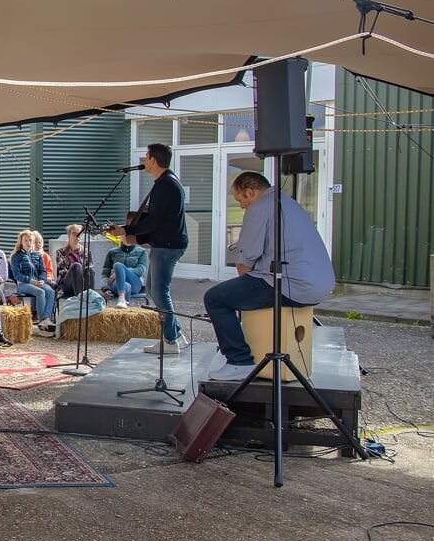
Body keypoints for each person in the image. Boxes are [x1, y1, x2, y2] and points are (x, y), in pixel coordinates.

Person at [204, 172, 336, 381]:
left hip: (291, 284)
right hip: (320, 284)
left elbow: (245, 264)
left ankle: (239, 361)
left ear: (250, 191)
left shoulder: (259, 207)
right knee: (239, 293)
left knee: (216, 298)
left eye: (240, 200)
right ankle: (236, 351)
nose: (241, 207)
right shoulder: (289, 203)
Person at [110, 143, 189, 354]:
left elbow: (154, 221)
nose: (144, 160)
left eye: (146, 156)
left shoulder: (166, 185)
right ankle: (176, 333)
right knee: (154, 289)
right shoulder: (167, 183)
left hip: (167, 245)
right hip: (165, 243)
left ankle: (170, 341)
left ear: (153, 159)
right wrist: (130, 233)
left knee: (160, 291)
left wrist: (127, 230)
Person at [11, 230, 56, 327]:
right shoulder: (16, 256)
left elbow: (43, 270)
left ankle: (46, 318)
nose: (28, 243)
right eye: (26, 240)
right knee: (40, 292)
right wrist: (32, 281)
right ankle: (42, 320)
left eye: (30, 240)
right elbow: (17, 275)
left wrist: (42, 280)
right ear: (21, 242)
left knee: (50, 291)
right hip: (24, 284)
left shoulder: (38, 255)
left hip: (38, 282)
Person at [102, 238, 148, 308]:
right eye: (124, 235)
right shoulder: (112, 252)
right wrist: (105, 288)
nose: (127, 238)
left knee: (118, 265)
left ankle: (121, 298)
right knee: (126, 286)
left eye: (129, 236)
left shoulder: (142, 252)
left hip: (135, 282)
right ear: (121, 237)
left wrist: (121, 271)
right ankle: (123, 302)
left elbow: (140, 271)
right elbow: (105, 273)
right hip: (116, 283)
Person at [54, 224, 89, 298]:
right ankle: (80, 298)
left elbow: (89, 269)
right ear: (69, 235)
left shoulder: (86, 252)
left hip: (82, 282)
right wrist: (76, 272)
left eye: (79, 234)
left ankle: (90, 297)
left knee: (90, 270)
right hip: (67, 284)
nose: (76, 236)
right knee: (76, 266)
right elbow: (62, 272)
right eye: (74, 233)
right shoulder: (61, 252)